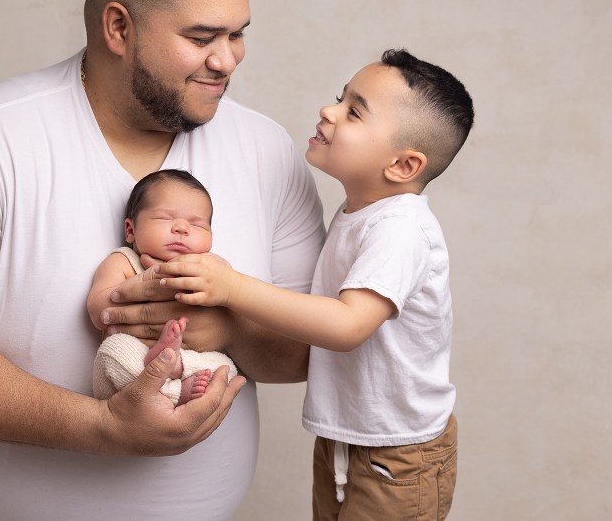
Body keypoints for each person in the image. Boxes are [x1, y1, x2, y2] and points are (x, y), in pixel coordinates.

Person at [0, 0, 326, 520]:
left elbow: (306, 350)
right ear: (118, 27)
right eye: (201, 37)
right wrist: (104, 427)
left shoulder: (268, 151)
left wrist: (230, 329)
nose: (228, 61)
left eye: (238, 34)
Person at [151, 49, 473, 520]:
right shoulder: (362, 214)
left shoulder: (401, 230)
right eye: (339, 98)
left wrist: (231, 288)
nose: (329, 111)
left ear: (403, 166)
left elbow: (346, 326)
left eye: (354, 111)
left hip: (398, 456)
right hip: (353, 438)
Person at [88, 169, 238, 406]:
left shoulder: (211, 267)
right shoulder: (124, 261)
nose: (181, 228)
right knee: (114, 352)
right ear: (130, 230)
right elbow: (99, 313)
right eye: (165, 219)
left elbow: (233, 302)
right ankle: (171, 390)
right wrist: (146, 283)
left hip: (188, 360)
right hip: (136, 360)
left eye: (197, 225)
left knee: (226, 368)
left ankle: (175, 371)